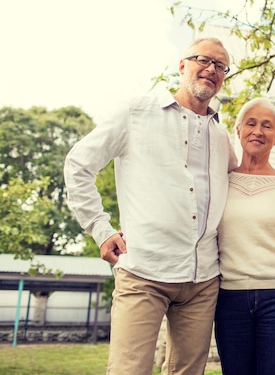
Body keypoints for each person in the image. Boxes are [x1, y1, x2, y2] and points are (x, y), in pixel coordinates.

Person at [64, 37, 238, 375]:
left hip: (203, 279)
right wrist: (101, 229)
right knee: (128, 370)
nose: (212, 69)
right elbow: (78, 165)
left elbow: (242, 182)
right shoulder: (136, 112)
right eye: (204, 60)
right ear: (182, 66)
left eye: (221, 66)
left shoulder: (221, 135)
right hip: (144, 270)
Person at [214, 98, 275, 375]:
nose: (258, 131)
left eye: (267, 126)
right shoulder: (220, 181)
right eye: (251, 123)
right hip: (230, 299)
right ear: (238, 130)